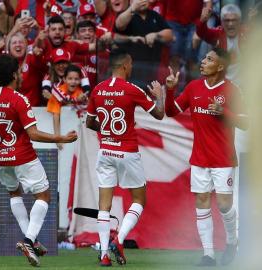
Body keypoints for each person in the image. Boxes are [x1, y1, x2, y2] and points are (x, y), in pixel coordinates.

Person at [0, 54, 78, 267]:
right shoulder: (19, 99)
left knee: (14, 193)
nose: (20, 74)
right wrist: (61, 138)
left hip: (1, 158)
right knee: (44, 195)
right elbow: (34, 134)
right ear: (13, 74)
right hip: (23, 156)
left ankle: (32, 240)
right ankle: (29, 240)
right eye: (18, 71)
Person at [164, 47, 248, 266]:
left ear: (220, 66)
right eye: (204, 57)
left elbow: (246, 123)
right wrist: (170, 90)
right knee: (201, 203)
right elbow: (171, 111)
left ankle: (231, 241)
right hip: (199, 158)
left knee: (222, 204)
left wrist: (224, 112)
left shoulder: (232, 90)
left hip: (223, 158)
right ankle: (208, 255)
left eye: (209, 59)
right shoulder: (193, 87)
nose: (203, 61)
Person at [86, 49, 164, 266]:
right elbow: (159, 114)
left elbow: (90, 123)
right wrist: (160, 96)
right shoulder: (132, 89)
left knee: (104, 204)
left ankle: (103, 254)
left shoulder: (98, 89)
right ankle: (118, 240)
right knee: (139, 199)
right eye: (130, 64)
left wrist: (109, 131)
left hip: (106, 151)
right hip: (127, 151)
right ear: (124, 65)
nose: (132, 68)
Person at [47, 64, 87, 150]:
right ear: (64, 79)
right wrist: (57, 138)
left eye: (76, 79)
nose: (73, 82)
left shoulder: (81, 94)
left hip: (77, 137)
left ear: (80, 80)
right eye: (70, 78)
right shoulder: (57, 94)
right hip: (61, 135)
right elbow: (56, 116)